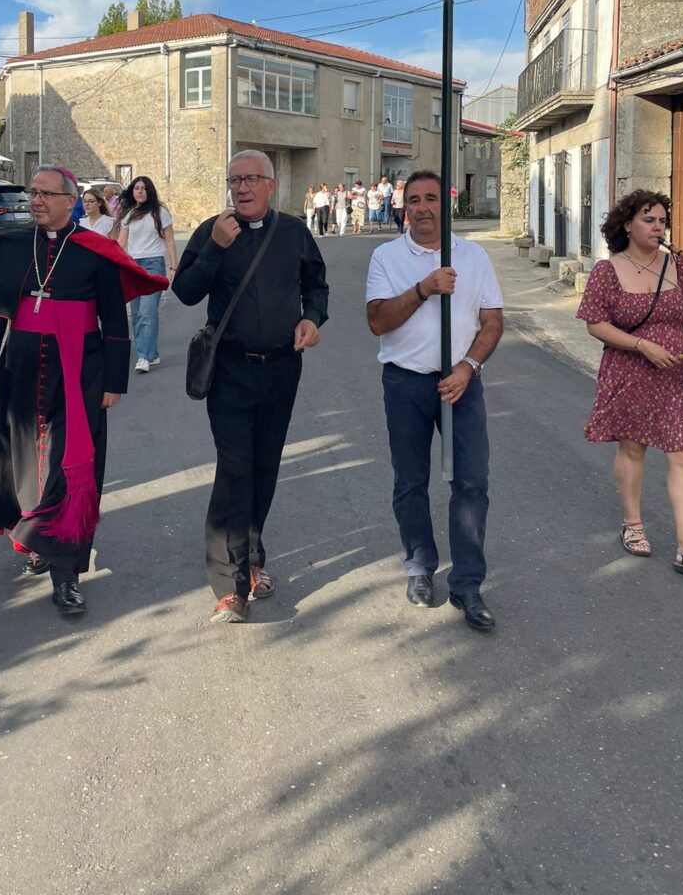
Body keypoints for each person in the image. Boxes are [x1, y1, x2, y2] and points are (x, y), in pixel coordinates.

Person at [0, 165, 168, 616]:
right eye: (31, 193)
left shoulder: (96, 251)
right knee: (23, 464)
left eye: (43, 194)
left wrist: (114, 381)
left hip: (80, 371)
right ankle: (36, 537)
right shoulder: (14, 247)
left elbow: (115, 321)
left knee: (68, 468)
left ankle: (67, 573)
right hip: (20, 368)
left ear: (68, 199)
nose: (34, 200)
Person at [173, 150, 329, 624]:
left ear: (271, 184)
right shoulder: (212, 230)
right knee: (235, 468)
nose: (241, 188)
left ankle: (254, 558)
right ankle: (228, 583)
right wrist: (217, 247)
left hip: (283, 368)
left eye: (251, 179)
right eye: (234, 179)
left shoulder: (294, 231)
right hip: (230, 370)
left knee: (265, 467)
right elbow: (185, 291)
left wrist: (311, 318)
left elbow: (317, 285)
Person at [365, 170, 504, 632]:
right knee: (410, 481)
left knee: (471, 481)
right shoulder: (386, 256)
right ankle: (419, 567)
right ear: (404, 206)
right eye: (414, 200)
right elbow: (378, 322)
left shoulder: (475, 256)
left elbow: (492, 322)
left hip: (462, 383)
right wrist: (424, 288)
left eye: (431, 199)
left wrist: (468, 368)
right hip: (405, 383)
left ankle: (467, 584)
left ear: (447, 205)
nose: (423, 207)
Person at [576, 189, 683, 580]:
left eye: (662, 220)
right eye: (649, 219)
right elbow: (595, 323)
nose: (658, 226)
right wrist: (642, 345)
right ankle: (633, 522)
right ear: (627, 224)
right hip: (630, 369)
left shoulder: (678, 267)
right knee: (633, 448)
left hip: (677, 371)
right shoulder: (607, 270)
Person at [115, 175, 178, 373]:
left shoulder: (160, 212)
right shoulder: (129, 214)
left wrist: (173, 267)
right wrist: (110, 263)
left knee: (147, 312)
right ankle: (152, 354)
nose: (140, 191)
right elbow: (120, 243)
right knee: (136, 314)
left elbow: (169, 240)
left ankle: (143, 356)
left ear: (149, 191)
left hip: (153, 264)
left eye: (143, 188)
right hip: (132, 267)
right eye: (136, 188)